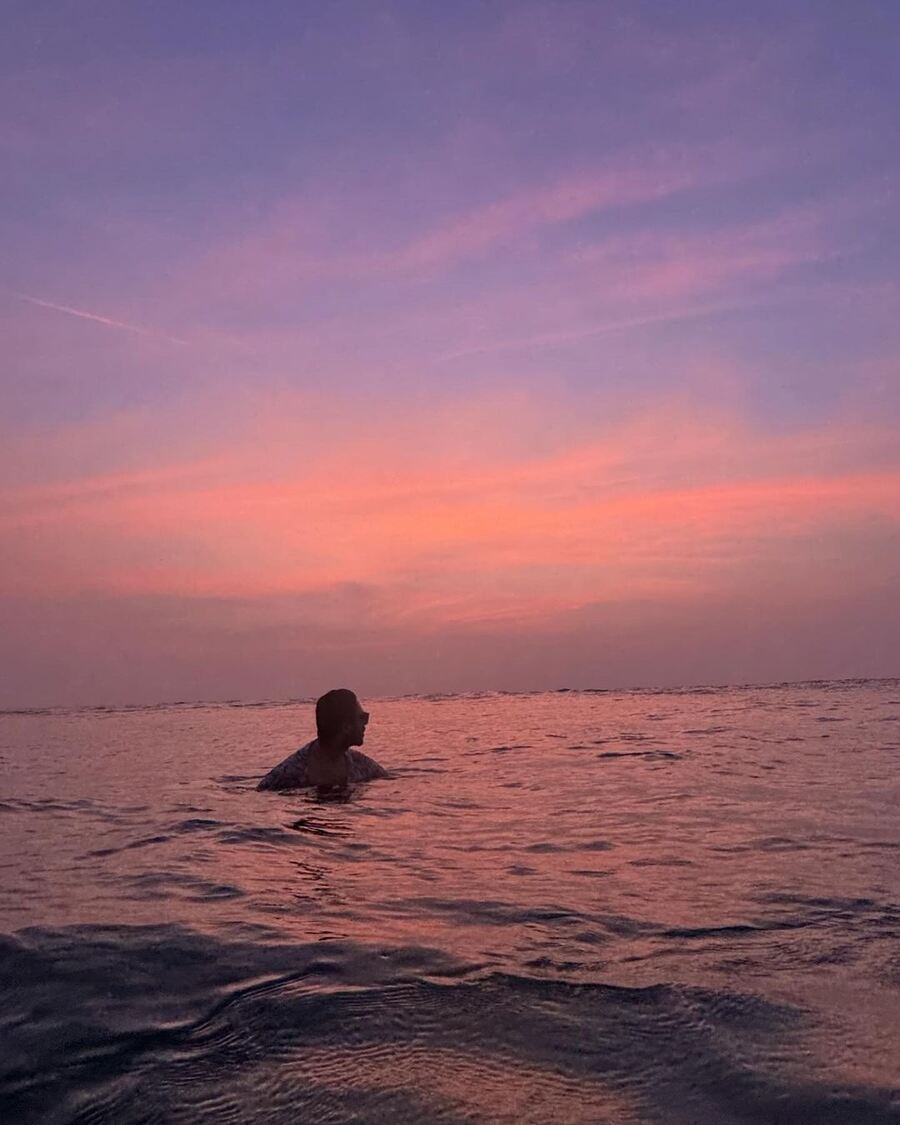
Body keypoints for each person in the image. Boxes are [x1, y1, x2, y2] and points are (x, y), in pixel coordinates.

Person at [256, 689, 387, 791]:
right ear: (346, 726)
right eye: (362, 718)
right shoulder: (290, 772)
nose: (365, 724)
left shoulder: (364, 766)